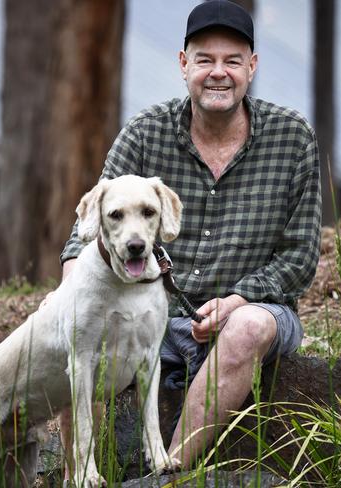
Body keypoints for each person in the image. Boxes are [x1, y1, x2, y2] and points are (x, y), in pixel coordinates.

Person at [57, 0, 321, 470]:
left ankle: (170, 471)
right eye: (204, 60)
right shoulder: (144, 134)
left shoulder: (292, 137)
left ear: (252, 67)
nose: (218, 73)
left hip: (253, 315)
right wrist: (73, 299)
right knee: (78, 326)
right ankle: (79, 473)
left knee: (249, 327)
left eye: (232, 61)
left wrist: (239, 300)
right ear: (184, 65)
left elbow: (299, 259)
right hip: (150, 314)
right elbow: (86, 233)